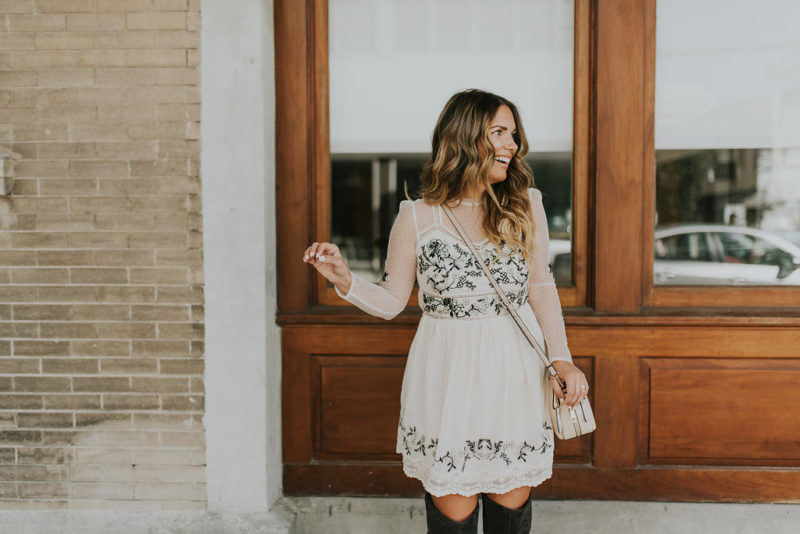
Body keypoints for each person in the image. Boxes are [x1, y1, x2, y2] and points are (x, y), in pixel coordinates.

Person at [303, 89, 588, 533]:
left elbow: (540, 286)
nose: (512, 144)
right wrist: (344, 279)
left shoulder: (526, 205)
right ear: (465, 138)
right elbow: (392, 301)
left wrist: (563, 357)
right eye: (499, 132)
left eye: (513, 133)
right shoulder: (416, 216)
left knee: (509, 504)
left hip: (513, 370)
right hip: (446, 374)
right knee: (453, 509)